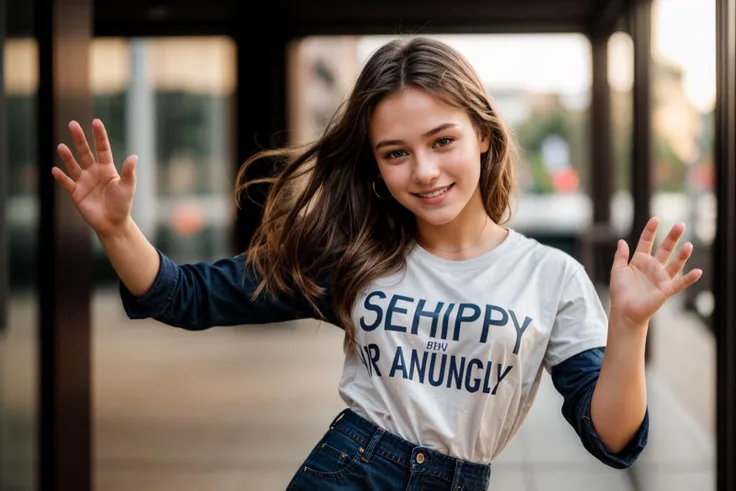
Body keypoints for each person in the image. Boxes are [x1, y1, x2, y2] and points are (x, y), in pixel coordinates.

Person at [52, 37, 701, 491]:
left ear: (482, 133)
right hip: (350, 469)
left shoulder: (549, 277)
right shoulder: (359, 255)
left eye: (442, 141)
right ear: (374, 162)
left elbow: (610, 437)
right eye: (395, 153)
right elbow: (184, 295)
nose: (423, 171)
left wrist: (630, 327)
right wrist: (116, 228)